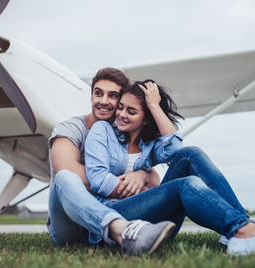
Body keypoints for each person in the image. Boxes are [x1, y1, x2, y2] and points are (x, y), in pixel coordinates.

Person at [83, 80, 255, 257]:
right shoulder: (102, 131)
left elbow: (175, 148)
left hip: (156, 224)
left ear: (146, 119)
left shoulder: (148, 146)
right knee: (186, 185)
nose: (121, 115)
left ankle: (241, 230)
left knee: (190, 154)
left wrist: (154, 107)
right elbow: (98, 181)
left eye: (131, 111)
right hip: (118, 220)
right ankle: (247, 232)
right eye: (121, 107)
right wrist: (141, 185)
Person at [48, 68, 176, 255]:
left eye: (113, 95)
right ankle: (120, 229)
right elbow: (70, 172)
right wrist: (133, 186)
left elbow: (155, 180)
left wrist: (142, 174)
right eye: (98, 93)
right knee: (65, 178)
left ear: (122, 100)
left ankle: (122, 230)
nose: (104, 101)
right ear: (91, 95)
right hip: (70, 224)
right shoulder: (71, 129)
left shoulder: (124, 134)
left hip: (111, 212)